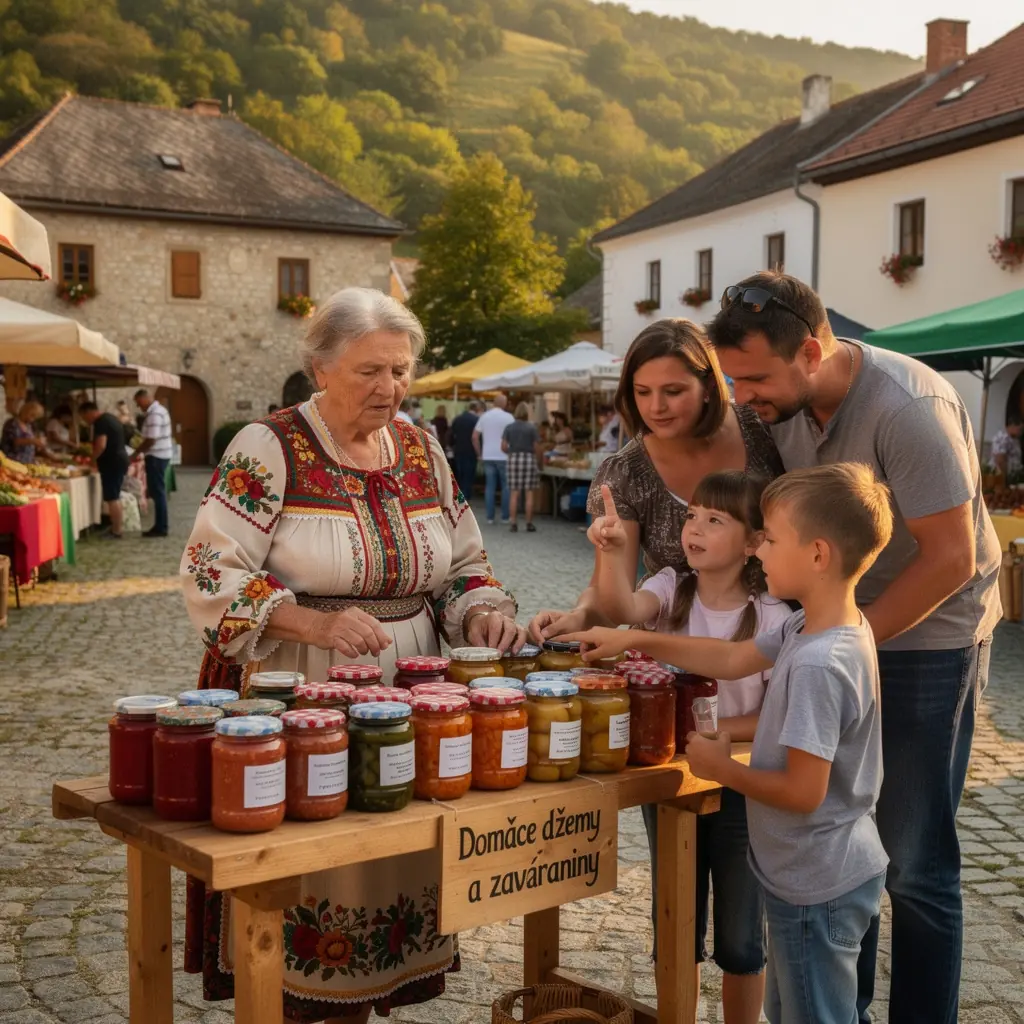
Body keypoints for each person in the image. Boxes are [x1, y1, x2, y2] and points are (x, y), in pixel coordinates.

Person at [180, 287, 525, 1023]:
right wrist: (313, 623)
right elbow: (211, 572)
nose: (389, 388)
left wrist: (482, 612)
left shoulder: (423, 449)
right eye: (370, 371)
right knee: (310, 873)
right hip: (302, 692)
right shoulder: (269, 447)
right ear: (321, 368)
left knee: (389, 863)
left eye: (400, 371)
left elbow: (464, 564)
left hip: (409, 696)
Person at [708, 271, 1001, 1024]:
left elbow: (952, 559)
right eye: (734, 380)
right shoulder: (780, 407)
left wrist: (841, 640)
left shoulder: (908, 409)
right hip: (846, 627)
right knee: (846, 839)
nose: (743, 397)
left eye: (755, 380)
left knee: (915, 863)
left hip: (935, 633)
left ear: (811, 351)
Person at [567, 462, 895, 1024]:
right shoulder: (816, 626)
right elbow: (731, 657)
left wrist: (722, 768)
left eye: (772, 539)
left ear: (818, 555)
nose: (761, 550)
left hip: (817, 883)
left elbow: (803, 792)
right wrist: (633, 638)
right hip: (820, 873)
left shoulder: (819, 663)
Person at [586, 470, 790, 1023]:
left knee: (742, 935)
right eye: (692, 515)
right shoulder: (670, 586)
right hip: (672, 779)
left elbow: (775, 716)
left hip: (742, 786)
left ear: (753, 542)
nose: (694, 528)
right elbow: (620, 610)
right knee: (675, 918)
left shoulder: (772, 617)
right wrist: (611, 551)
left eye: (715, 520)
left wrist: (714, 735)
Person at [529, 318, 783, 643]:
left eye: (673, 391)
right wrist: (579, 617)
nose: (656, 407)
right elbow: (611, 595)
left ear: (708, 386)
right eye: (642, 392)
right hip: (668, 652)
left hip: (770, 640)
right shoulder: (625, 472)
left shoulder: (766, 428)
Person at [81, 401, 129, 540]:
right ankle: (116, 527)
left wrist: (92, 459)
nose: (85, 421)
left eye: (84, 417)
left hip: (112, 462)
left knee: (112, 497)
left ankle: (117, 530)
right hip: (119, 459)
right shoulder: (111, 418)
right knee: (114, 496)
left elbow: (101, 445)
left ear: (89, 412)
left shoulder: (100, 422)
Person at [132, 389, 173, 538]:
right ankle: (160, 525)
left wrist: (136, 453)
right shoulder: (159, 411)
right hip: (160, 454)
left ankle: (161, 527)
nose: (138, 406)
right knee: (157, 491)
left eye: (139, 403)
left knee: (158, 492)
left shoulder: (155, 414)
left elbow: (151, 439)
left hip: (157, 456)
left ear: (145, 399)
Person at [473, 393, 515, 524]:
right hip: (504, 455)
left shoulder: (484, 416)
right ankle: (505, 516)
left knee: (490, 486)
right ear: (504, 403)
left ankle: (490, 517)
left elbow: (474, 437)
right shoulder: (509, 417)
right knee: (506, 486)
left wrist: (479, 453)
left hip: (488, 455)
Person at [502, 401, 541, 533]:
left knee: (514, 493)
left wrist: (512, 453)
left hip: (514, 458)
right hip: (529, 458)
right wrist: (538, 460)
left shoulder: (509, 427)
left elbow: (503, 446)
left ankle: (513, 523)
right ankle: (529, 523)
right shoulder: (532, 428)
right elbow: (536, 447)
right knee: (529, 493)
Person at [450, 400, 481, 499]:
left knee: (460, 473)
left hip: (458, 449)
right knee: (469, 474)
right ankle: (466, 495)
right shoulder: (477, 420)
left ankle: (459, 493)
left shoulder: (458, 419)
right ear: (477, 409)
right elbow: (478, 437)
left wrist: (452, 445)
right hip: (471, 450)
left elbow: (451, 434)